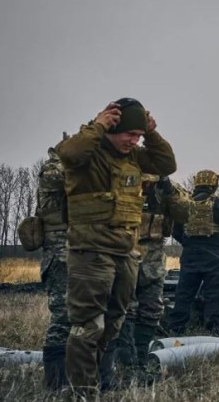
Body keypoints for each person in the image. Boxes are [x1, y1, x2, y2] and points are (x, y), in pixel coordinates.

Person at [56, 99, 176, 397]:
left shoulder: (133, 156)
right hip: (91, 252)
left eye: (138, 135)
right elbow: (68, 153)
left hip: (126, 253)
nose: (134, 140)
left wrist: (152, 133)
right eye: (129, 134)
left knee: (113, 322)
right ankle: (82, 392)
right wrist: (97, 125)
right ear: (111, 129)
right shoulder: (89, 152)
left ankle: (99, 381)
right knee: (87, 326)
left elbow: (166, 164)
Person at [108, 175, 189, 384]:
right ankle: (126, 363)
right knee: (126, 310)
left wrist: (168, 189)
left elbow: (186, 213)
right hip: (124, 253)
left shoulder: (165, 187)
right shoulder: (120, 178)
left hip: (153, 259)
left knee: (151, 310)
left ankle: (141, 361)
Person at [168, 170, 219, 337]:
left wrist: (189, 242)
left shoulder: (185, 205)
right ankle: (213, 331)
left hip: (190, 255)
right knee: (214, 294)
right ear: (214, 185)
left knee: (184, 293)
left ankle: (176, 329)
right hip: (214, 255)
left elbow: (175, 231)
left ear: (196, 184)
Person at [36, 144, 70, 390]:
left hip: (78, 251)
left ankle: (75, 376)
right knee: (63, 315)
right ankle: (55, 382)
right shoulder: (52, 169)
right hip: (59, 254)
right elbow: (58, 178)